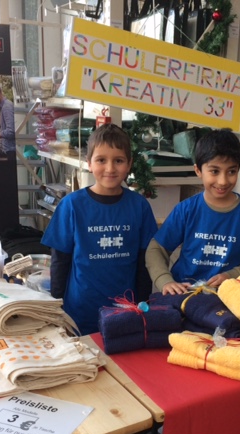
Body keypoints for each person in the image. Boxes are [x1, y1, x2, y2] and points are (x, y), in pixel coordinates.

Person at [41, 123, 158, 335]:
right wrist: (56, 307)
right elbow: (59, 262)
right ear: (89, 162)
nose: (110, 168)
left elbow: (145, 263)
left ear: (129, 164)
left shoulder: (139, 206)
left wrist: (142, 305)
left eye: (118, 160)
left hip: (125, 311)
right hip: (79, 312)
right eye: (101, 160)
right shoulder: (71, 205)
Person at [146, 129, 240, 295]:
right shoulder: (186, 210)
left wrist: (231, 275)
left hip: (229, 296)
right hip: (185, 293)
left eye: (231, 171)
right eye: (214, 171)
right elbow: (156, 249)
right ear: (198, 170)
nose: (223, 181)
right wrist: (165, 281)